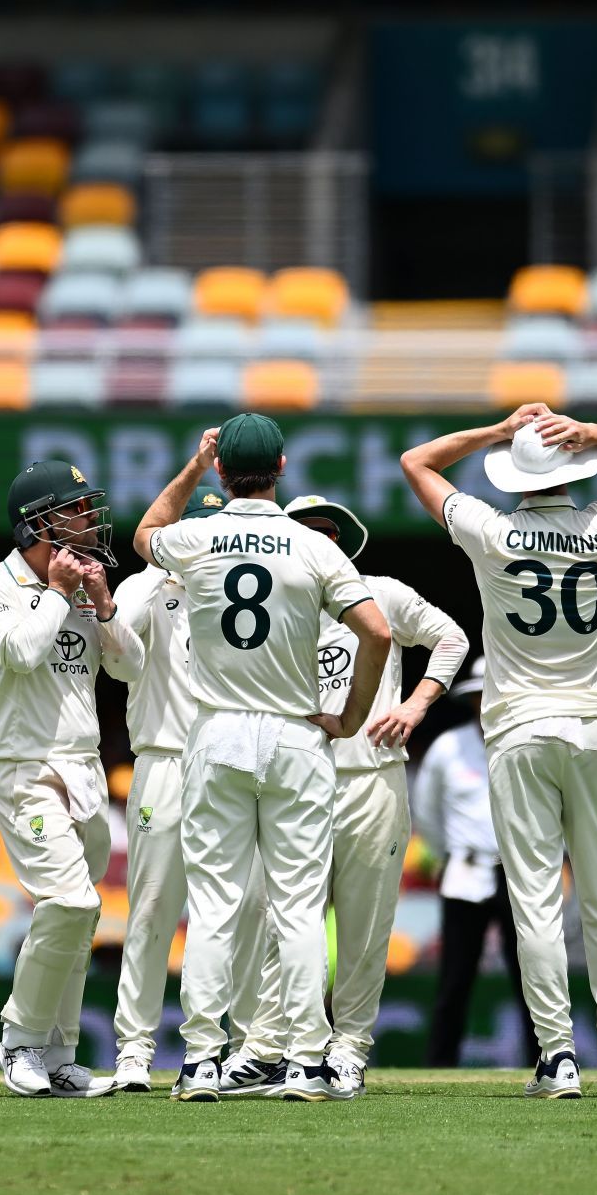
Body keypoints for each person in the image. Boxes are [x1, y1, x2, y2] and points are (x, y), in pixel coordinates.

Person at [402, 404, 597, 1099]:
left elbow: (417, 463)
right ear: (575, 467)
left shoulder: (492, 531)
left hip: (519, 729)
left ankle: (557, 1058)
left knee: (534, 901)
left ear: (516, 476)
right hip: (592, 726)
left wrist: (494, 432)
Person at [134, 415, 392, 1103]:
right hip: (294, 731)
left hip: (216, 732)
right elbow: (378, 630)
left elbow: (142, 535)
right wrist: (353, 716)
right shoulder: (312, 545)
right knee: (300, 906)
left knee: (215, 905)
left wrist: (191, 467)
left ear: (222, 473)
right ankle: (307, 1060)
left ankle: (200, 1061)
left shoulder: (196, 535)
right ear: (281, 467)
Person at [219, 494, 468, 1097]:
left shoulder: (379, 592)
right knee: (284, 920)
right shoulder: (271, 604)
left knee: (364, 926)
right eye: (305, 530)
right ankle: (267, 1046)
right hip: (292, 780)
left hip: (371, 778)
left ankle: (349, 1048)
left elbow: (452, 638)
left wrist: (415, 704)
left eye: (328, 530)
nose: (319, 538)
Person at [0, 458, 145, 1097]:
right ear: (36, 523)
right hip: (24, 768)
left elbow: (131, 668)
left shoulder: (83, 585)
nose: (91, 520)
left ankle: (62, 1056)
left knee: (78, 921)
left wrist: (100, 602)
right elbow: (20, 653)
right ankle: (19, 1044)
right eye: (75, 510)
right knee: (70, 902)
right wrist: (61, 594)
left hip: (87, 769)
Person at [108, 484, 224, 1092]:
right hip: (164, 760)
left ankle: (219, 1048)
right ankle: (133, 1048)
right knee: (152, 908)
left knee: (229, 911)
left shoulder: (234, 583)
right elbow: (119, 662)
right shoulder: (142, 587)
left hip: (229, 761)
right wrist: (151, 581)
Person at [412, 657, 539, 1069]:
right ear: (472, 701)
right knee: (454, 979)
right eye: (482, 696)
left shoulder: (531, 745)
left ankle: (547, 1062)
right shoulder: (449, 748)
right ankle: (438, 1067)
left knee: (533, 978)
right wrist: (450, 851)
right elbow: (426, 812)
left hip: (518, 873)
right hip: (465, 871)